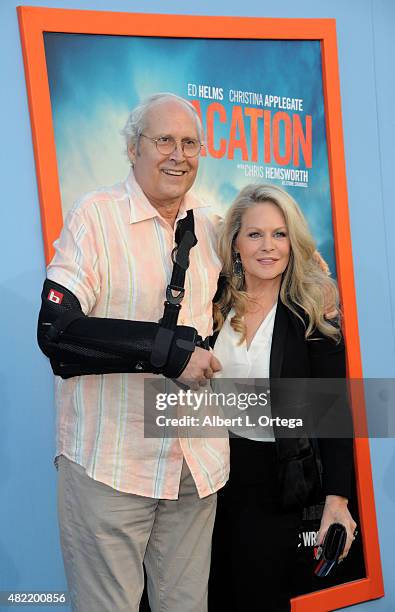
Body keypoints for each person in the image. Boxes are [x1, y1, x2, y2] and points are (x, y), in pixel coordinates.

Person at [37, 93, 229, 612]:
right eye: (163, 139)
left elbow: (258, 286)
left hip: (194, 463)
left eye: (190, 143)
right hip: (111, 466)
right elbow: (56, 331)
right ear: (132, 147)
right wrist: (167, 352)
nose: (178, 154)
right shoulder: (95, 217)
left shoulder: (212, 225)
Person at [208, 183, 357, 611]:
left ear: (294, 241)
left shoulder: (313, 312)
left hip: (275, 482)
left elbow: (333, 412)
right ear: (235, 242)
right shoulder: (210, 302)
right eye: (254, 234)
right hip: (203, 479)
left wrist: (338, 501)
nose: (268, 246)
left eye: (280, 234)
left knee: (260, 597)